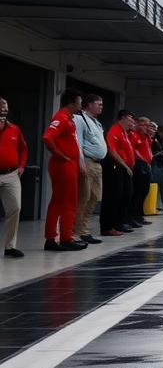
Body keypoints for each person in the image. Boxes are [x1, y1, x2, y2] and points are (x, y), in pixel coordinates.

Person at [43, 88, 86, 251]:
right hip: (63, 163)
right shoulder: (61, 117)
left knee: (71, 201)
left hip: (71, 162)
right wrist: (61, 155)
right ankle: (51, 238)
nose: (81, 104)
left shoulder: (68, 118)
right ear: (73, 101)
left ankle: (67, 236)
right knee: (59, 202)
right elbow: (48, 137)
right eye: (80, 101)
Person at [73, 94, 107, 245]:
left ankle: (84, 228)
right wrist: (81, 164)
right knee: (84, 198)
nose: (101, 107)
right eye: (98, 104)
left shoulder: (96, 123)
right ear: (89, 104)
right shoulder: (80, 119)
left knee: (94, 197)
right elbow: (78, 142)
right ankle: (76, 230)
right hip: (86, 162)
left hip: (97, 163)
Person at [101, 109, 138, 237]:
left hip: (125, 169)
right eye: (129, 118)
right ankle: (108, 226)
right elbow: (113, 151)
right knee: (113, 197)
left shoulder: (124, 133)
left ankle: (119, 222)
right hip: (116, 168)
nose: (132, 121)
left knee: (126, 195)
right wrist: (124, 165)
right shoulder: (115, 131)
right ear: (122, 118)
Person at [0, 97, 28, 258]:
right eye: (1, 106)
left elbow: (23, 148)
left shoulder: (14, 129)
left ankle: (10, 246)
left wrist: (22, 166)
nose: (4, 109)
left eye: (5, 106)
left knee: (15, 208)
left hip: (11, 174)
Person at [129, 116, 154, 226]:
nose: (147, 127)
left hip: (146, 165)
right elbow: (133, 149)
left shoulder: (147, 137)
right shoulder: (134, 135)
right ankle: (133, 215)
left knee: (145, 190)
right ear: (139, 124)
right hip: (139, 165)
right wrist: (143, 160)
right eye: (145, 125)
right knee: (137, 191)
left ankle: (139, 214)